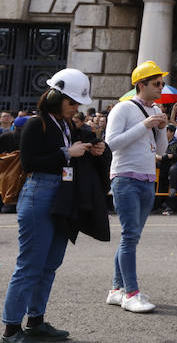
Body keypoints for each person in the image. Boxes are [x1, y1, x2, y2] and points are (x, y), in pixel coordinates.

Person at [2, 69, 106, 343]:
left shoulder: (67, 125)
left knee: (50, 264)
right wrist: (65, 153)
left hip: (61, 194)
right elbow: (29, 162)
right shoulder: (37, 124)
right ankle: (11, 329)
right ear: (54, 96)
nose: (76, 108)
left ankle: (36, 321)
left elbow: (86, 138)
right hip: (40, 192)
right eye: (71, 102)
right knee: (30, 265)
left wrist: (96, 146)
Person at [104, 61, 169, 313]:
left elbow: (161, 151)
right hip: (125, 178)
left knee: (131, 238)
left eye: (161, 83)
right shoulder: (123, 108)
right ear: (141, 85)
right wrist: (145, 125)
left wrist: (161, 129)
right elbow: (111, 144)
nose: (160, 87)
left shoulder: (154, 110)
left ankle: (116, 289)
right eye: (156, 84)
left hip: (146, 178)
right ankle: (131, 292)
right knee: (130, 237)